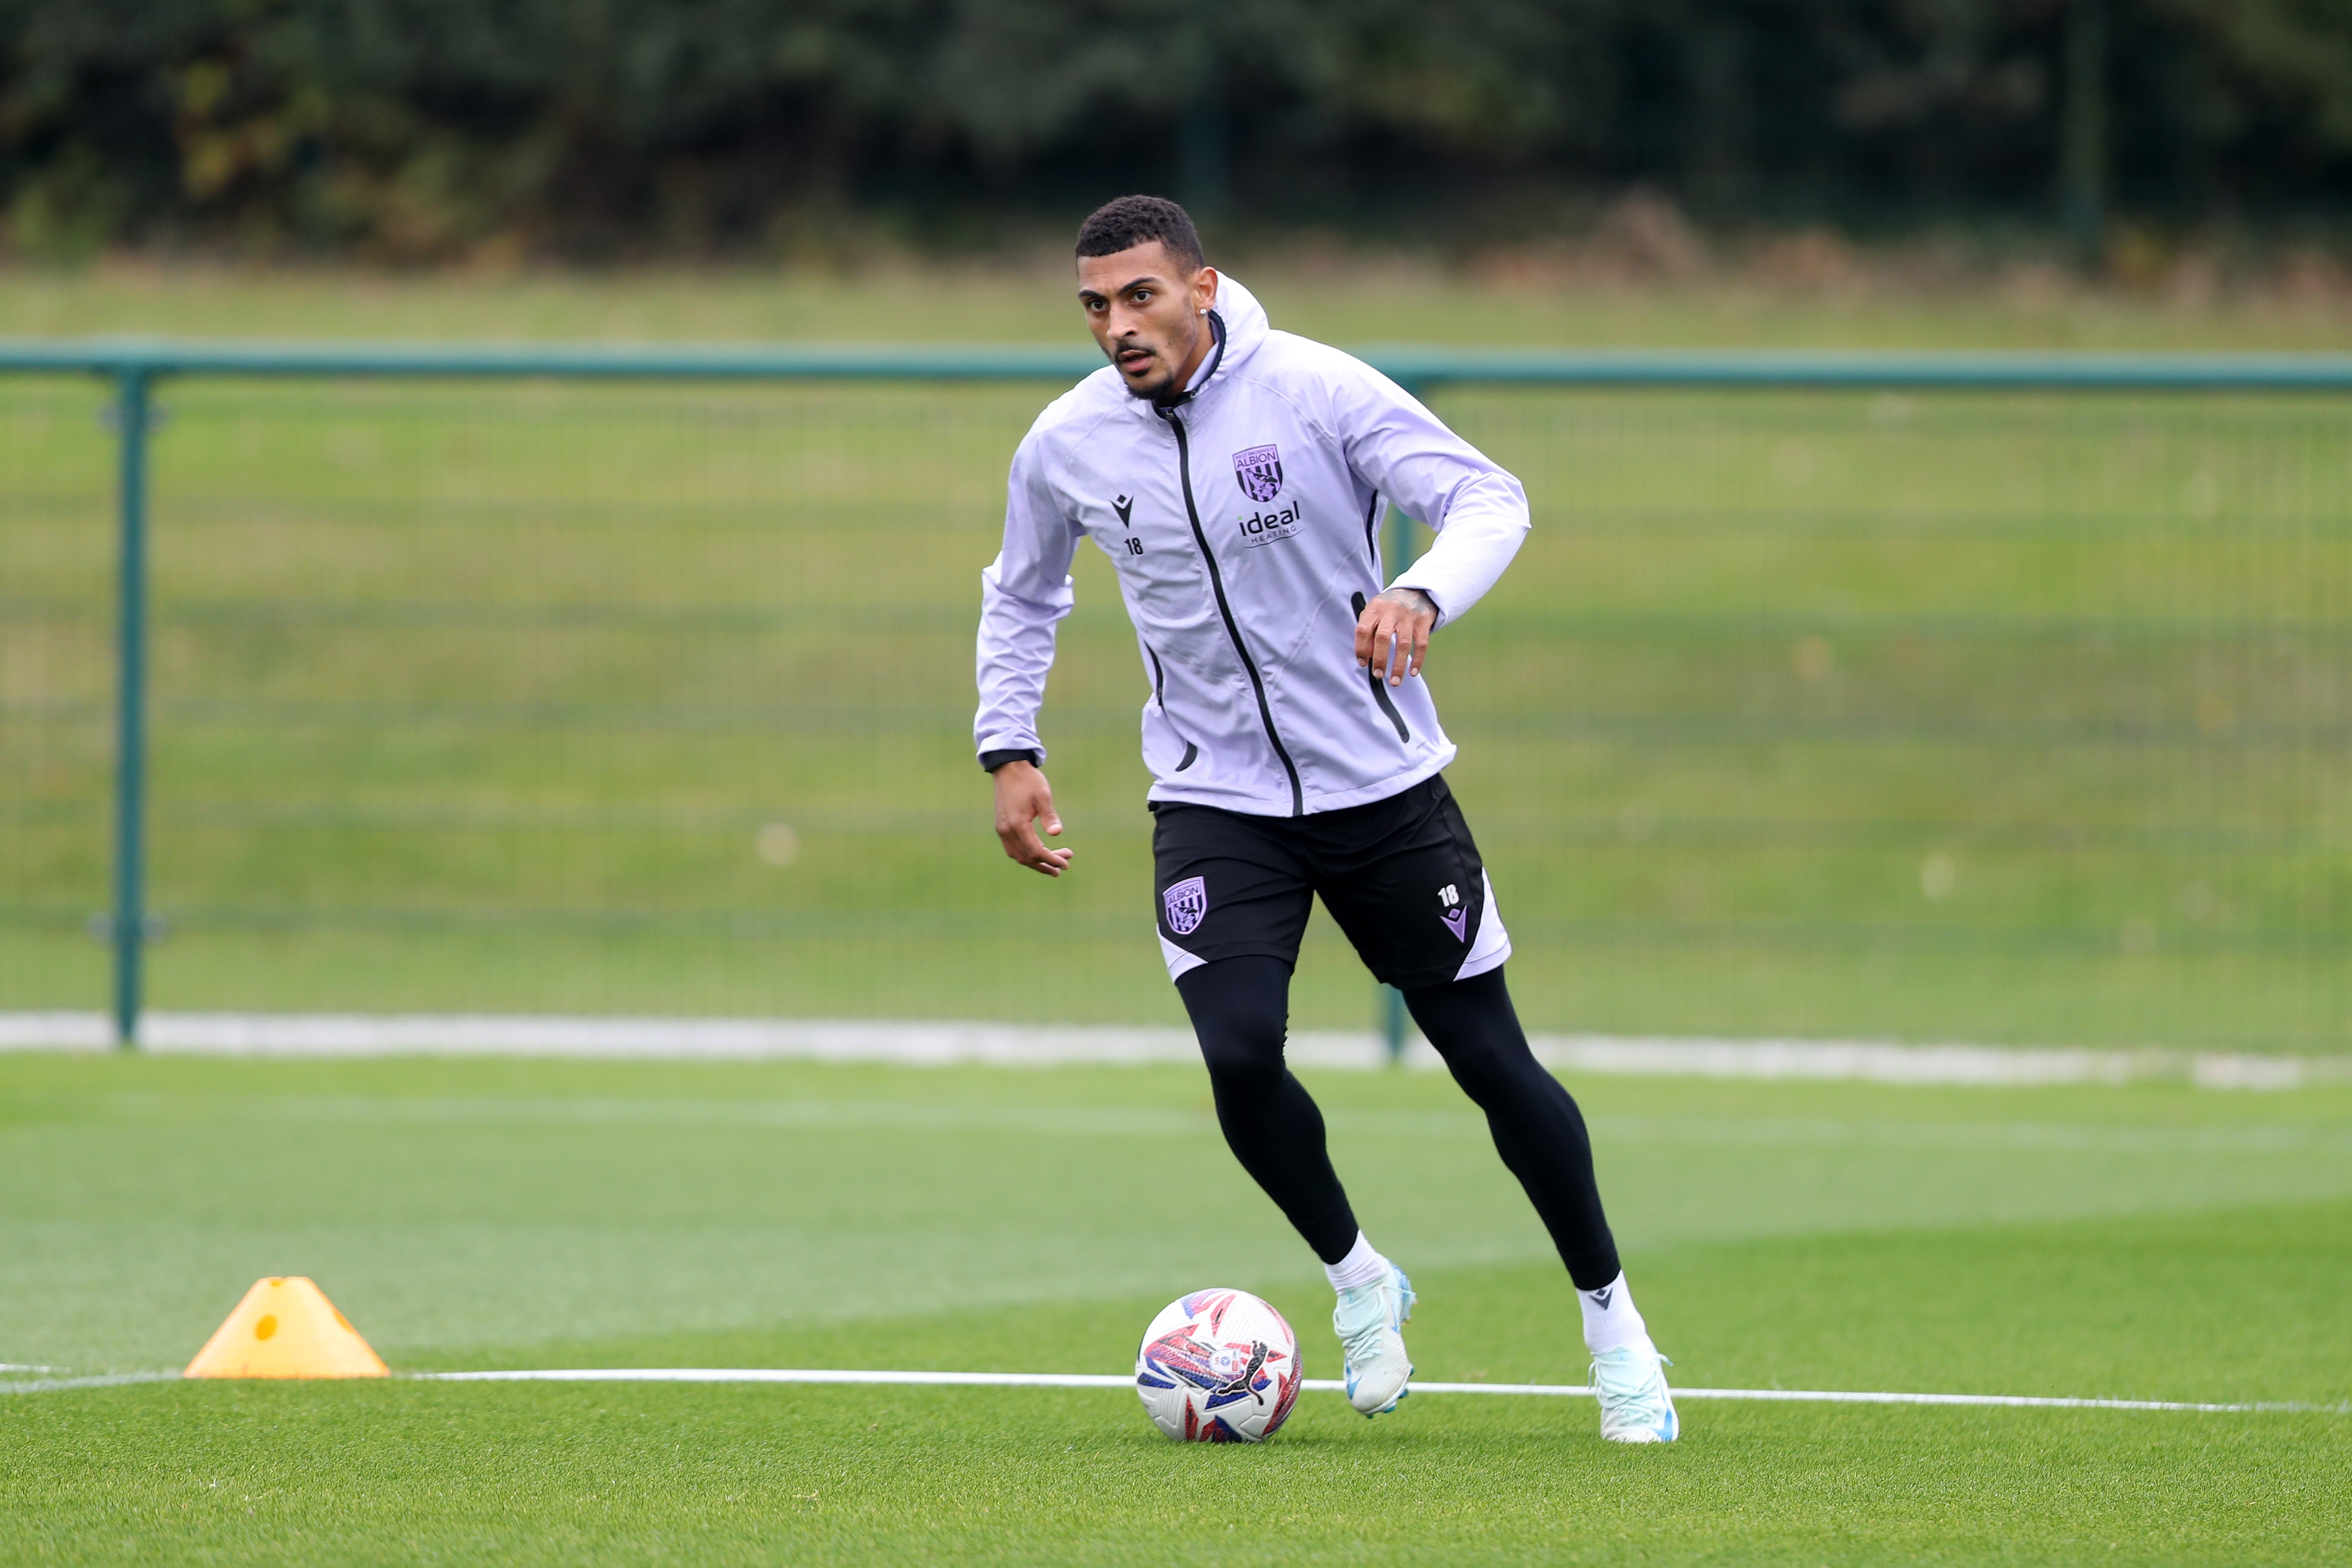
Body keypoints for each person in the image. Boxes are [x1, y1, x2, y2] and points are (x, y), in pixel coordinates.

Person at [973, 194, 1677, 1443]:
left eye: (1140, 296)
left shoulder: (1317, 390)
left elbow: (1489, 499)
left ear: (1203, 286)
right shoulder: (1067, 442)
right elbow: (1022, 596)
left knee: (1492, 1064)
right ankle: (1360, 1279)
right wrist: (1009, 747)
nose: (1117, 326)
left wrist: (1419, 589)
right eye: (1094, 304)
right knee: (1240, 1054)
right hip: (1212, 797)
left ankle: (1614, 1325)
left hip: (1382, 792)